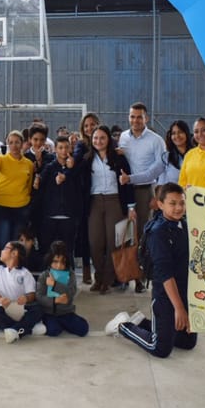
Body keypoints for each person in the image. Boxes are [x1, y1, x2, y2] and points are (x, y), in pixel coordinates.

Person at [106, 183, 197, 358]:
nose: (178, 208)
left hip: (185, 292)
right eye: (172, 203)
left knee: (188, 342)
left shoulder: (185, 225)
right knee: (160, 348)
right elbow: (165, 275)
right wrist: (179, 308)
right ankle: (123, 326)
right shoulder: (158, 232)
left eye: (182, 203)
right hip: (165, 296)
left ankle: (141, 321)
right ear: (160, 204)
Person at [117, 103, 166, 293]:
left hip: (146, 191)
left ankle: (141, 278)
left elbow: (159, 169)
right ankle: (125, 275)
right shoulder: (123, 138)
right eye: (132, 117)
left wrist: (157, 195)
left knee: (143, 237)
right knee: (125, 235)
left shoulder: (156, 140)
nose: (135, 120)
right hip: (125, 192)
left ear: (146, 118)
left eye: (139, 117)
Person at [85, 125, 135, 294]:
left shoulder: (119, 158)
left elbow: (127, 183)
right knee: (95, 242)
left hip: (115, 201)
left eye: (102, 138)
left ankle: (106, 281)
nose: (98, 141)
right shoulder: (87, 158)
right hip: (95, 201)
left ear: (109, 140)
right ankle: (99, 276)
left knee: (113, 243)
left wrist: (131, 207)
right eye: (95, 138)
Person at [0, 130, 35, 249]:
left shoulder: (29, 164)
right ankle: (1, 267)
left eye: (17, 142)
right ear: (7, 144)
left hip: (21, 208)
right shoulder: (2, 159)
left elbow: (29, 185)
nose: (14, 145)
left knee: (17, 244)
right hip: (1, 207)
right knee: (2, 242)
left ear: (22, 144)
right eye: (11, 142)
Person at [0, 241, 46, 343]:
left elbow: (31, 294)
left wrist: (26, 298)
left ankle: (14, 330)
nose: (2, 251)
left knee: (38, 309)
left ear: (14, 253)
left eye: (5, 248)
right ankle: (27, 329)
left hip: (18, 309)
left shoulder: (25, 273)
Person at [38, 135, 82, 265]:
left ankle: (69, 282)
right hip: (50, 217)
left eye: (66, 147)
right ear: (55, 150)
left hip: (69, 217)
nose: (64, 151)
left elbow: (79, 189)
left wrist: (70, 170)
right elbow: (41, 185)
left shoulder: (75, 167)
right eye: (60, 148)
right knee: (48, 252)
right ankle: (48, 281)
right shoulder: (50, 167)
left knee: (68, 252)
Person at [36, 241, 89, 337]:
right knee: (53, 331)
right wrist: (54, 301)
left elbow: (72, 292)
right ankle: (53, 324)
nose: (59, 266)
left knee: (83, 329)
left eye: (62, 262)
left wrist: (55, 284)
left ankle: (63, 324)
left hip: (66, 312)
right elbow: (39, 296)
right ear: (50, 260)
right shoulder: (44, 275)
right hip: (49, 313)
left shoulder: (70, 274)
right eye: (55, 262)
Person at [73, 112, 100, 285]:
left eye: (93, 124)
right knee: (84, 233)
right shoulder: (81, 146)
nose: (90, 128)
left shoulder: (105, 143)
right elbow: (76, 164)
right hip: (84, 194)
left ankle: (102, 270)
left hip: (103, 193)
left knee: (100, 234)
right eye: (86, 126)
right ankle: (86, 269)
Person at [158, 120, 194, 185]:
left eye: (180, 132)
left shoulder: (197, 154)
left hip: (195, 193)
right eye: (173, 133)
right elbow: (161, 182)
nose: (177, 136)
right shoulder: (166, 157)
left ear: (187, 133)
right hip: (173, 193)